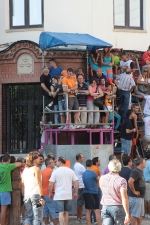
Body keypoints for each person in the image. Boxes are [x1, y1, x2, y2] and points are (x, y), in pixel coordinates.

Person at [49, 157, 79, 225]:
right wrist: (76, 192)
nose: (55, 163)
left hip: (59, 195)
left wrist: (50, 193)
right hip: (68, 195)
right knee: (66, 212)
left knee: (61, 212)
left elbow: (50, 184)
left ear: (60, 162)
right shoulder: (70, 170)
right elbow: (76, 182)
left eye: (56, 161)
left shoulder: (55, 171)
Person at [100, 159, 130, 225]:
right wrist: (127, 213)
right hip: (117, 207)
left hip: (105, 206)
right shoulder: (122, 180)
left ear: (109, 167)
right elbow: (124, 197)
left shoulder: (102, 178)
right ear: (119, 168)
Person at [21, 151, 45, 225]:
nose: (39, 159)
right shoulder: (36, 169)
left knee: (29, 217)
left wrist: (23, 195)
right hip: (36, 195)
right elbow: (38, 183)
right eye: (37, 157)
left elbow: (22, 184)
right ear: (34, 159)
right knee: (37, 217)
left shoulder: (25, 170)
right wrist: (42, 197)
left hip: (27, 195)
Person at [0, 154, 21, 225]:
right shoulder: (8, 166)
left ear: (1, 160)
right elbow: (19, 163)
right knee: (4, 210)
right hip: (5, 191)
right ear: (9, 160)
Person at [82, 160, 102, 225]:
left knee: (88, 211)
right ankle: (100, 224)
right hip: (93, 193)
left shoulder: (84, 173)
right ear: (91, 165)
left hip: (86, 192)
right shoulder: (93, 173)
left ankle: (89, 223)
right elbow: (99, 180)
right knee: (97, 210)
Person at [128, 158, 146, 225]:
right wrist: (134, 191)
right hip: (135, 197)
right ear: (141, 163)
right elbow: (130, 181)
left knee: (140, 214)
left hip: (140, 197)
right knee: (135, 214)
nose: (145, 164)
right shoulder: (136, 171)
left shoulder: (140, 171)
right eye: (144, 162)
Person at [42, 158, 58, 225]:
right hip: (50, 194)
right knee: (54, 211)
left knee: (45, 210)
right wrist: (51, 192)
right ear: (48, 164)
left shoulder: (42, 171)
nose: (54, 163)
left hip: (44, 193)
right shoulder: (51, 172)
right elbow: (51, 183)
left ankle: (46, 223)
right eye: (52, 162)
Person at [73, 153, 85, 223]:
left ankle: (80, 217)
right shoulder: (80, 166)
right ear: (79, 158)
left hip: (79, 186)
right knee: (80, 203)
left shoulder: (75, 165)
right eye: (82, 157)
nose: (83, 158)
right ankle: (79, 218)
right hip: (80, 186)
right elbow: (86, 174)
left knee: (80, 203)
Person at [91, 157, 102, 223]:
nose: (100, 162)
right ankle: (96, 220)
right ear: (96, 162)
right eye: (99, 161)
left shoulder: (95, 168)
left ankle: (94, 219)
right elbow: (97, 179)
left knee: (94, 205)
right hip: (97, 188)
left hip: (95, 188)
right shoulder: (95, 169)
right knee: (96, 205)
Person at [143, 151, 150, 218]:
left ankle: (146, 213)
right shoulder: (149, 163)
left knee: (145, 199)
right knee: (149, 200)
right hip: (148, 182)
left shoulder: (144, 163)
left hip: (144, 182)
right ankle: (148, 214)